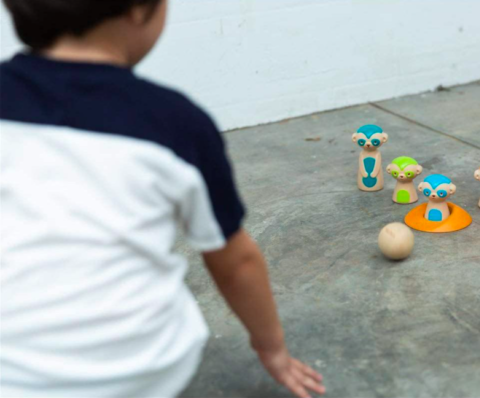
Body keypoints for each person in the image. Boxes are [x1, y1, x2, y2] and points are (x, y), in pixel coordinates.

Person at [0, 1, 325, 397]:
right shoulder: (175, 124)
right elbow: (235, 262)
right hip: (141, 365)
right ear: (138, 9)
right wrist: (271, 348)